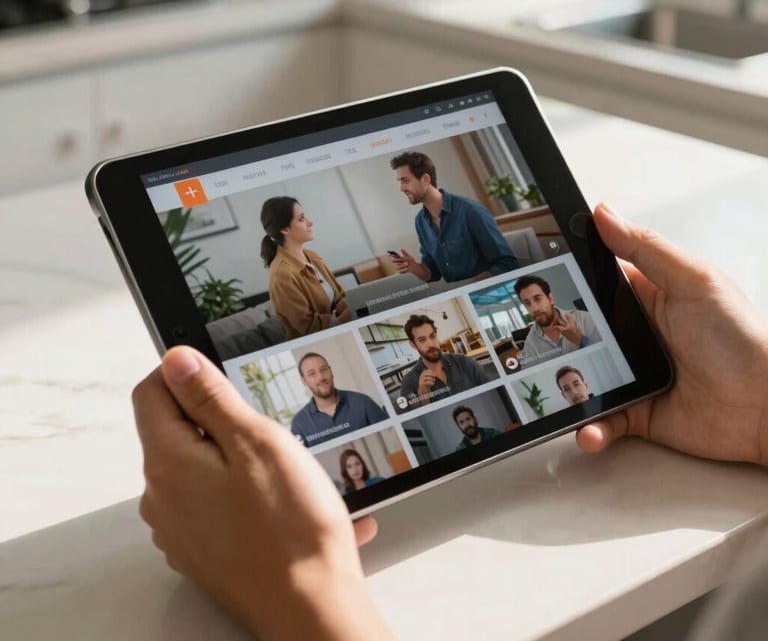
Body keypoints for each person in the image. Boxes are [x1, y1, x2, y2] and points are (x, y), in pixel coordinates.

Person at [132, 202, 768, 640]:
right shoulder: (304, 295)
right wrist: (756, 406)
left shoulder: (462, 361)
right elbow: (310, 325)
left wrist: (295, 594)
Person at [388, 151, 519, 283]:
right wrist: (414, 267)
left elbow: (508, 263)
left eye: (405, 181)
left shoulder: (470, 211)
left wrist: (477, 282)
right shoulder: (420, 222)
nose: (402, 188)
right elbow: (432, 274)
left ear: (426, 179)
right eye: (400, 182)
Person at [261, 196, 350, 340]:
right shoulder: (281, 274)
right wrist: (341, 320)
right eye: (302, 219)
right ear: (284, 229)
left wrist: (353, 304)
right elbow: (306, 326)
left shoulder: (312, 256)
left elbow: (339, 296)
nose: (310, 222)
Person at [291, 352, 388, 448]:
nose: (321, 377)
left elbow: (391, 433)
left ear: (331, 372)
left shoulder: (363, 403)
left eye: (324, 369)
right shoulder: (299, 424)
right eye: (312, 374)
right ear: (304, 381)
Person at [398, 314, 490, 410]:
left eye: (432, 336)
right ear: (413, 345)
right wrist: (424, 398)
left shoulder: (465, 363)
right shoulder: (409, 383)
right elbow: (417, 421)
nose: (430, 344)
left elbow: (492, 392)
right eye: (422, 340)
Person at [514, 274, 601, 365]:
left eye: (537, 299)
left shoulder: (585, 319)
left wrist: (579, 339)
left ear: (550, 298)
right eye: (527, 303)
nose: (534, 308)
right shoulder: (530, 343)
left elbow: (609, 353)